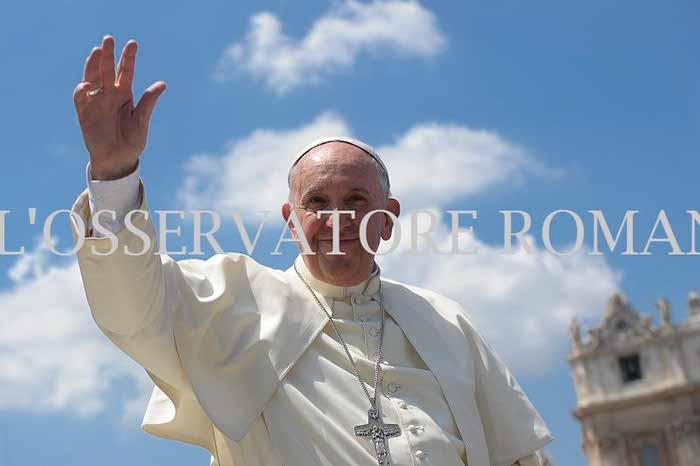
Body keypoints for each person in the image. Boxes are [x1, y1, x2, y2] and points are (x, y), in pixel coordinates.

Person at [70, 35, 553, 466]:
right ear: (291, 221)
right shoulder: (230, 301)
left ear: (387, 219)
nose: (338, 218)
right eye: (318, 202)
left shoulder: (447, 321)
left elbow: (519, 458)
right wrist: (113, 174)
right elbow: (130, 306)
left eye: (357, 200)